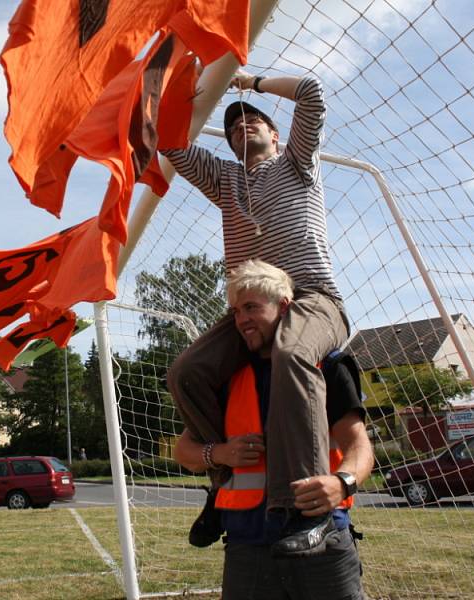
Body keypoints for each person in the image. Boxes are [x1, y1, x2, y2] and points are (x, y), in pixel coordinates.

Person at [162, 69, 349, 554]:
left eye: (253, 122)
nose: (240, 125)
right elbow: (168, 141)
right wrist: (177, 85)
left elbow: (311, 93)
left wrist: (247, 82)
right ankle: (221, 481)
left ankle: (307, 508)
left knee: (290, 354)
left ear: (275, 133)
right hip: (252, 305)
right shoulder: (224, 180)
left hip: (311, 298)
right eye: (229, 127)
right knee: (186, 371)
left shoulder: (297, 164)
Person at [173, 260, 373, 599]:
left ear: (284, 307)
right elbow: (184, 452)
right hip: (246, 546)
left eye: (251, 307)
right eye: (236, 311)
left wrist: (342, 483)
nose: (241, 320)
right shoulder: (226, 378)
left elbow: (360, 448)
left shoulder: (328, 367)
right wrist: (219, 453)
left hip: (322, 542)